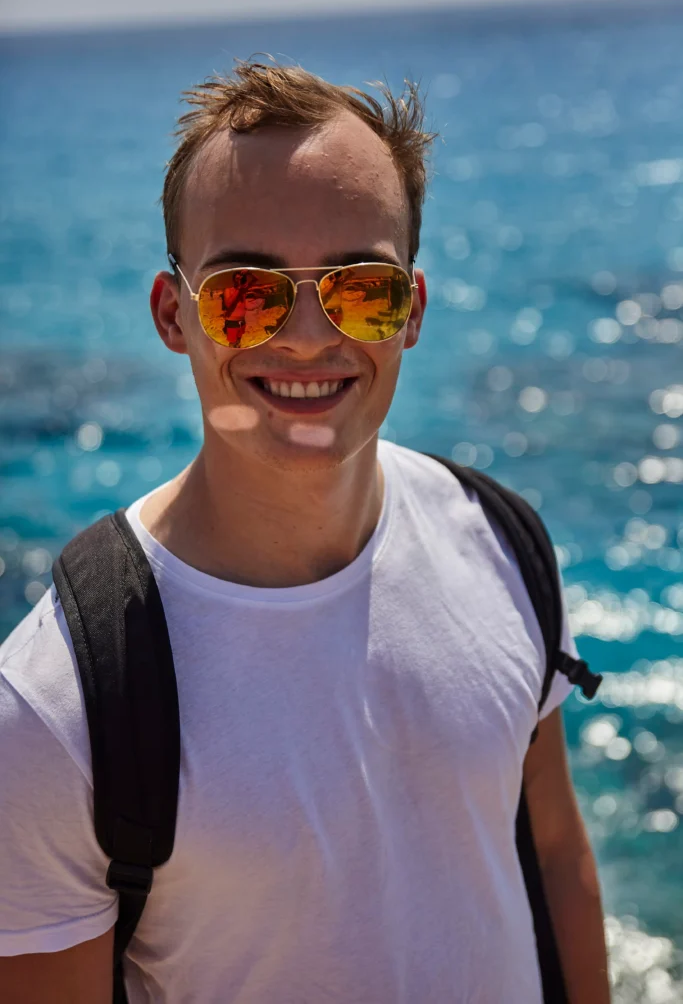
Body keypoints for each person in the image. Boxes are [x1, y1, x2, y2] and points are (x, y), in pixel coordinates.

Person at [0, 59, 610, 1003]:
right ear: (173, 314)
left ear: (411, 311)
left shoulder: (499, 542)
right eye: (246, 294)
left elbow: (556, 851)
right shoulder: (55, 704)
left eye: (360, 289)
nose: (309, 336)